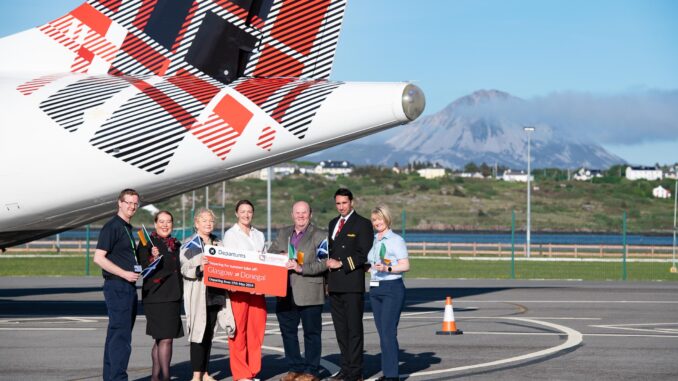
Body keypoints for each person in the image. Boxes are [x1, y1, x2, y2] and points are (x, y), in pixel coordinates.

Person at [268, 201, 329, 381]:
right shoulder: (283, 233)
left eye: (304, 213)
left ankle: (311, 371)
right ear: (292, 214)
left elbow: (324, 263)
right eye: (297, 213)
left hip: (309, 291)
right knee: (288, 333)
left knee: (312, 334)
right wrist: (278, 257)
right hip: (285, 291)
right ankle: (294, 368)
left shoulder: (320, 235)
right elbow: (270, 254)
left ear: (310, 214)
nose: (300, 216)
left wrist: (301, 268)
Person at [180, 208, 236, 381]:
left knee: (209, 336)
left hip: (216, 294)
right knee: (198, 335)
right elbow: (184, 268)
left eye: (211, 220)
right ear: (196, 223)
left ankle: (205, 373)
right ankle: (196, 375)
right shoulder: (191, 244)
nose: (208, 223)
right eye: (204, 220)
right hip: (199, 295)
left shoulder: (219, 243)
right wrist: (200, 267)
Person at [93, 188, 142, 381]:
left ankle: (111, 377)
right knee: (121, 338)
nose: (131, 206)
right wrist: (124, 273)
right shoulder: (112, 226)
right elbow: (99, 258)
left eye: (134, 203)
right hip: (118, 286)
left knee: (116, 337)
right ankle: (118, 378)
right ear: (119, 203)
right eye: (128, 202)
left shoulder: (127, 228)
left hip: (127, 287)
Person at [325, 188, 373, 381]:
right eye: (338, 203)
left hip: (352, 283)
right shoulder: (332, 223)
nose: (341, 207)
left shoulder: (362, 224)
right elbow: (329, 251)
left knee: (354, 330)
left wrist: (342, 263)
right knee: (340, 331)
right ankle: (345, 368)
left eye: (344, 203)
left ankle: (355, 372)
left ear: (352, 202)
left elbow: (363, 254)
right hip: (335, 284)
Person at [136, 211, 184, 381]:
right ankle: (166, 377)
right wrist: (151, 257)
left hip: (173, 296)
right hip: (157, 297)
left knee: (160, 339)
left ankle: (156, 377)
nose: (165, 225)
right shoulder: (147, 242)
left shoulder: (176, 244)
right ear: (155, 224)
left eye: (168, 221)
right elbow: (142, 267)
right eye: (161, 222)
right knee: (166, 339)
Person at [223, 200, 267, 381]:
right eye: (242, 211)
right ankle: (241, 374)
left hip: (258, 291)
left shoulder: (259, 235)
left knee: (256, 332)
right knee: (238, 332)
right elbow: (230, 263)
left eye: (249, 211)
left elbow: (264, 261)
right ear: (236, 213)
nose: (246, 215)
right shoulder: (230, 235)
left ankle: (253, 371)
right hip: (239, 291)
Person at [366, 206, 410, 381]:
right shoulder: (375, 239)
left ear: (387, 219)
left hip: (392, 288)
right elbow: (373, 261)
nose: (377, 222)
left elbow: (405, 266)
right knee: (382, 332)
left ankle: (392, 376)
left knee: (388, 332)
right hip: (375, 288)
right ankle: (388, 372)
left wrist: (387, 268)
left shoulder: (396, 240)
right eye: (374, 220)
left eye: (380, 219)